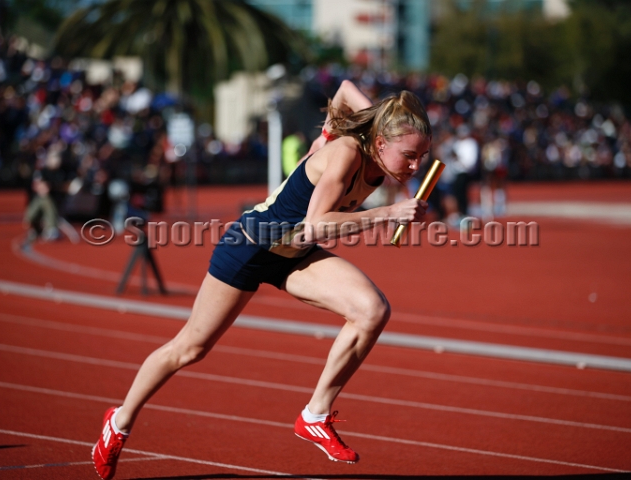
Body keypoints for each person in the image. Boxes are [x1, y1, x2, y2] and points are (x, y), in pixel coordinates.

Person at [91, 87, 432, 480]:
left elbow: (343, 94)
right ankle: (118, 422)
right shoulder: (347, 154)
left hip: (292, 256)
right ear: (379, 141)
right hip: (250, 248)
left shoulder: (379, 148)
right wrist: (388, 211)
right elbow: (314, 227)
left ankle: (315, 415)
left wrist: (323, 132)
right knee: (190, 348)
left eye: (421, 157)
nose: (414, 167)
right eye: (409, 156)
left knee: (372, 310)